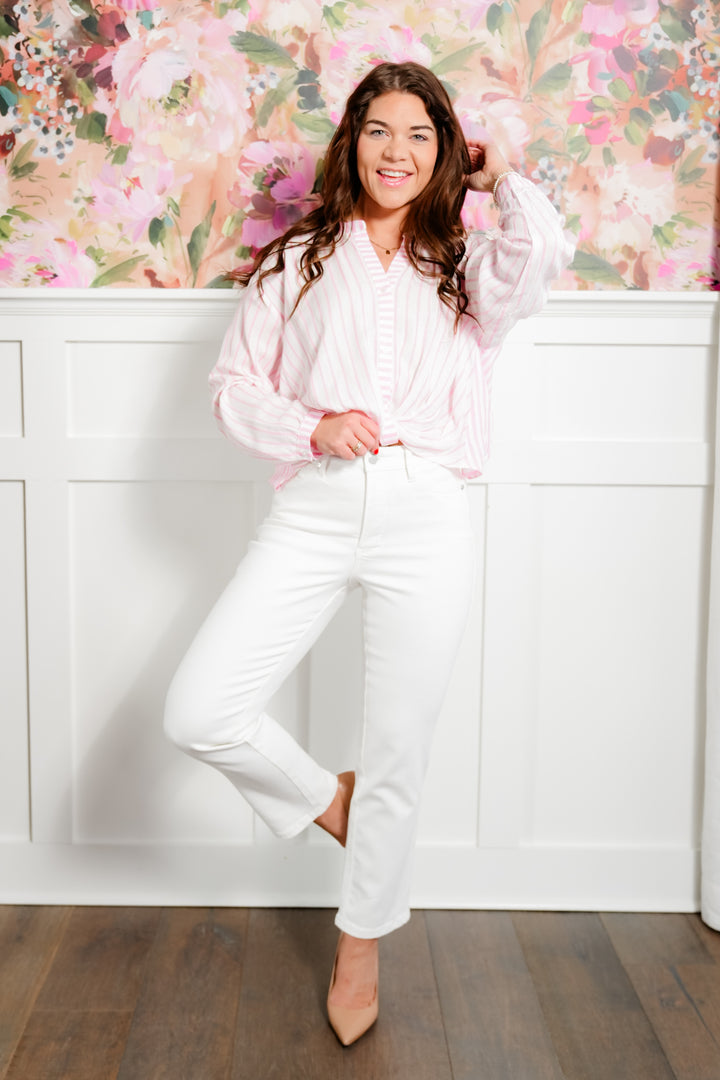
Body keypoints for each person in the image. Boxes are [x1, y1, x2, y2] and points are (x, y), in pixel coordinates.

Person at [164, 60, 574, 1046]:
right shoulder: (297, 260)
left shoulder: (468, 267)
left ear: (445, 153)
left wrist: (498, 176)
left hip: (425, 514)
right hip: (313, 507)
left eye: (421, 136)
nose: (398, 152)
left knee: (399, 747)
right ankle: (327, 799)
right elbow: (231, 387)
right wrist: (310, 427)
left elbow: (544, 255)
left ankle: (361, 946)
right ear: (352, 142)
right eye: (380, 130)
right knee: (201, 709)